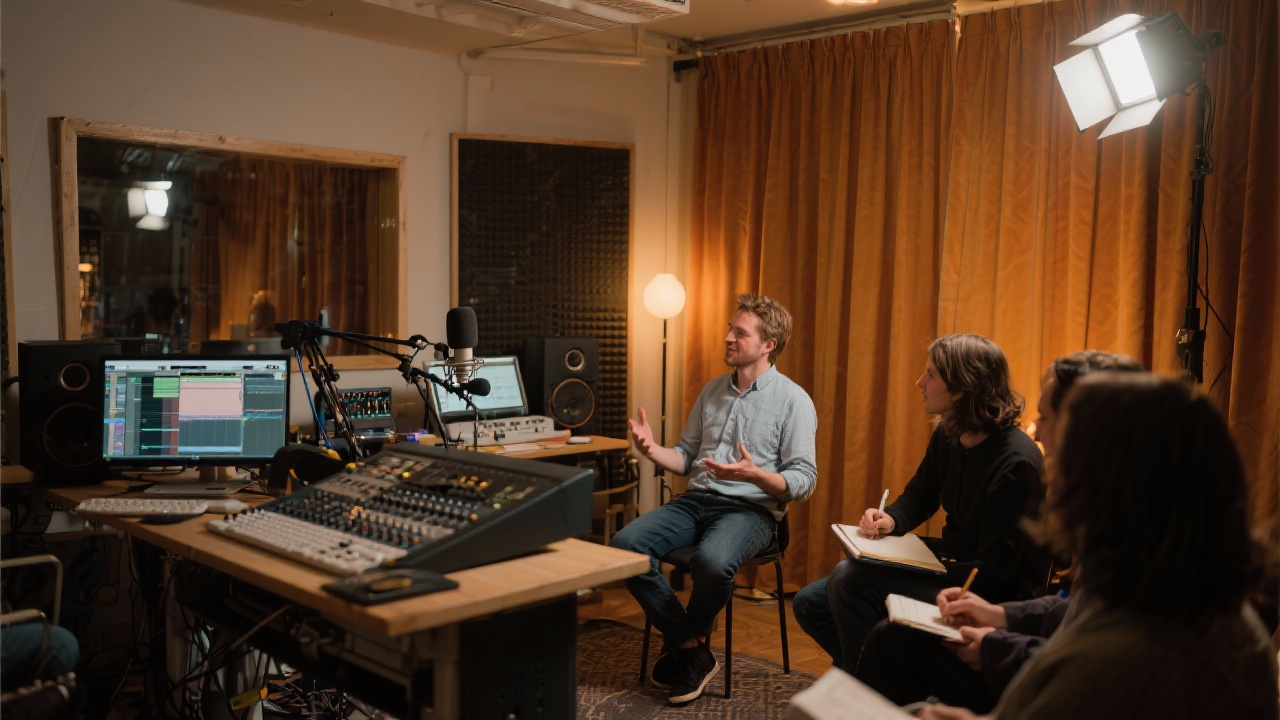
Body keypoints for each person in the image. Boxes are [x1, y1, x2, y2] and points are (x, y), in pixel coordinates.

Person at [917, 374, 1278, 720]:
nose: (1056, 481)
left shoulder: (1124, 655)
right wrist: (1002, 617)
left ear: (1115, 493)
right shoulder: (1211, 613)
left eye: (1070, 466)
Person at [853, 351, 1144, 712]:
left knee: (880, 620)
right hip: (1021, 642)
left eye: (1045, 417)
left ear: (1084, 430)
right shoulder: (1110, 507)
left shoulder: (1130, 529)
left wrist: (997, 646)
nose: (1034, 428)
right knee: (868, 608)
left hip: (1051, 680)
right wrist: (1001, 618)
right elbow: (1071, 610)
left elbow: (1096, 666)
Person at [793, 334, 1047, 674]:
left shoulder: (1016, 464)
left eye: (930, 375)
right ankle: (877, 678)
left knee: (851, 579)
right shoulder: (948, 433)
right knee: (810, 604)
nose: (919, 383)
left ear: (960, 388)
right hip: (951, 561)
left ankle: (863, 687)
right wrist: (891, 520)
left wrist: (902, 566)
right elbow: (921, 495)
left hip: (986, 589)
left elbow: (993, 574)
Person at [610, 293, 818, 705]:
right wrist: (651, 449)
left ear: (768, 345)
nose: (727, 337)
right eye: (730, 329)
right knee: (623, 548)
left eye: (739, 333)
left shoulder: (793, 400)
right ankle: (692, 645)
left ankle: (687, 647)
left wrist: (755, 473)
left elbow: (805, 479)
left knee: (712, 561)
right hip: (697, 501)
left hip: (752, 510)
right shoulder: (711, 391)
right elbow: (686, 458)